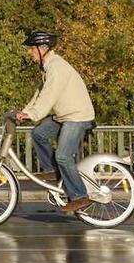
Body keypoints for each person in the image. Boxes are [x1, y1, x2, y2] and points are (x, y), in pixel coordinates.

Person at [15, 31, 96, 212]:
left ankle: (80, 196)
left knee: (63, 156)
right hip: (65, 115)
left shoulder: (56, 67)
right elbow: (40, 93)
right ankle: (52, 170)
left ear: (43, 49)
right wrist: (26, 112)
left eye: (32, 49)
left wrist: (34, 114)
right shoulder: (48, 68)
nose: (30, 53)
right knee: (38, 133)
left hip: (77, 116)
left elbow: (49, 95)